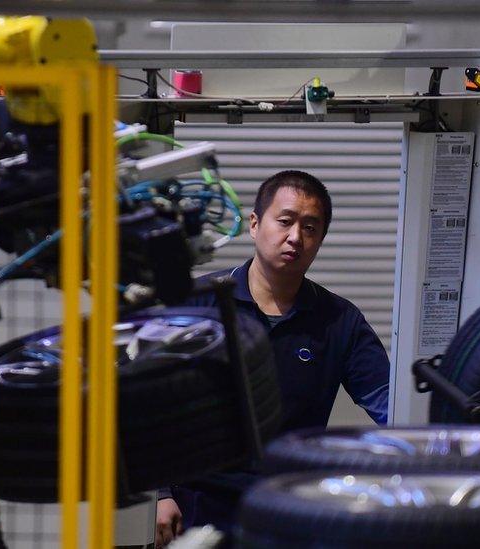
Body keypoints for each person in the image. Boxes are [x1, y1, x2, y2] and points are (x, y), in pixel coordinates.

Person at [155, 170, 390, 546]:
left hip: (291, 508)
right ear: (254, 224)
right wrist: (161, 493)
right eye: (285, 221)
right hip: (201, 504)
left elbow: (389, 404)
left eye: (311, 228)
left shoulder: (338, 320)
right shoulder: (199, 303)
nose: (296, 237)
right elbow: (156, 403)